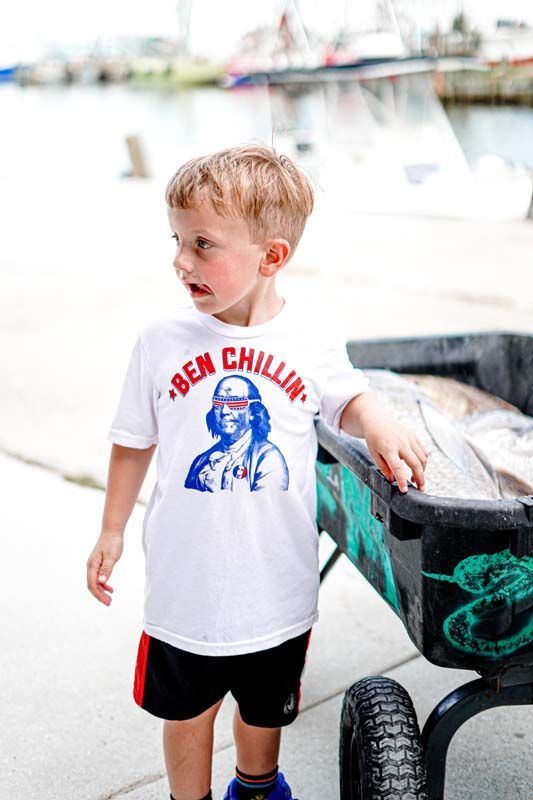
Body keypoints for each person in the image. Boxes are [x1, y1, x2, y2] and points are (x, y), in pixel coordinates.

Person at [86, 145, 428, 800]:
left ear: (271, 257)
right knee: (185, 714)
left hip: (277, 589)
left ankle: (256, 784)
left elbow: (347, 399)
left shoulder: (310, 337)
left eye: (202, 244)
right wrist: (110, 530)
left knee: (264, 707)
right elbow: (133, 441)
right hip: (184, 592)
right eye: (177, 240)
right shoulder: (161, 341)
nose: (180, 261)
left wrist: (376, 418)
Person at [185, 374, 289, 492]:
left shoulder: (268, 458)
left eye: (235, 402)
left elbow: (267, 506)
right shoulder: (201, 462)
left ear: (252, 412)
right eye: (218, 402)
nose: (224, 411)